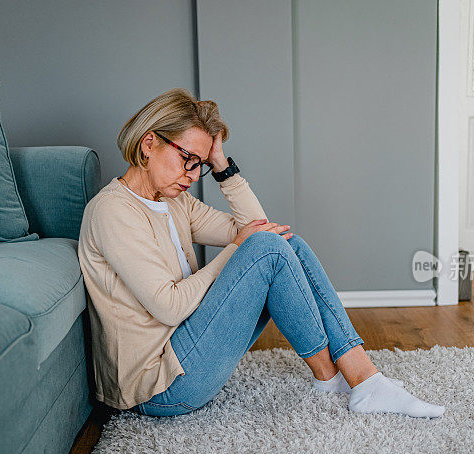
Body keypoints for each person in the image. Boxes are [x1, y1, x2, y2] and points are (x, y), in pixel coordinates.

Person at [77, 88, 445, 419]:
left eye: (199, 166)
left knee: (289, 244)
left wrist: (221, 165)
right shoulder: (113, 211)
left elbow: (258, 226)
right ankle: (356, 380)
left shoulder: (174, 202)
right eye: (187, 158)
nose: (191, 174)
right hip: (157, 386)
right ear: (148, 144)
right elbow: (169, 306)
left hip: (186, 348)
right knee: (266, 248)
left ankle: (348, 377)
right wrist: (236, 250)